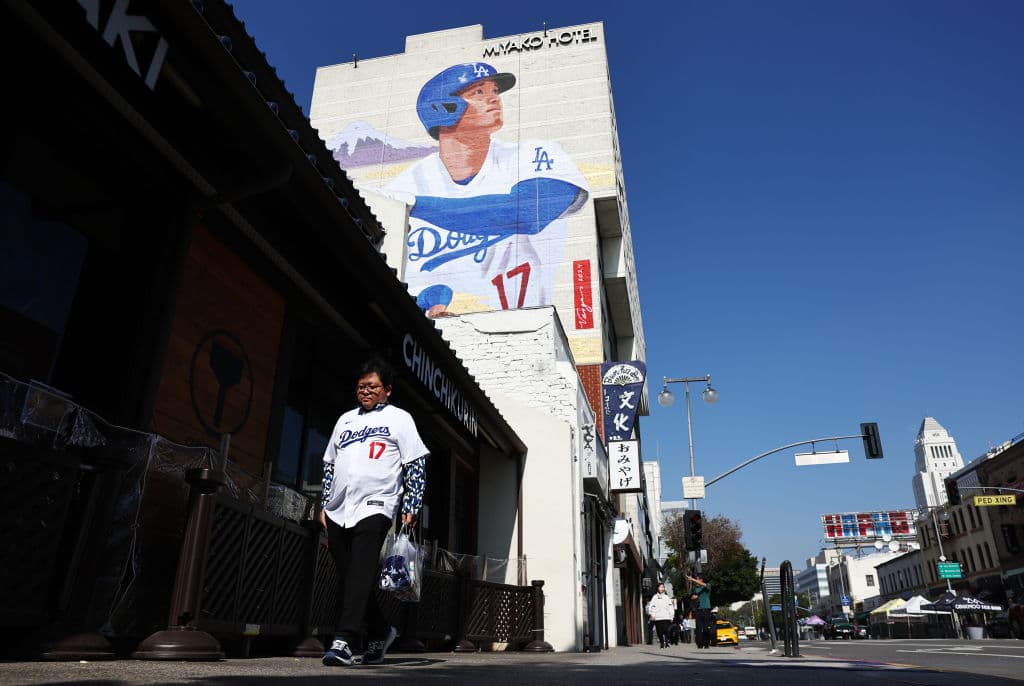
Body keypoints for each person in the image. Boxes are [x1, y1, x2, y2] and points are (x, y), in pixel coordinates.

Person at [386, 62, 589, 317]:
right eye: (479, 92)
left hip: (528, 329)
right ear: (442, 108)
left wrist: (416, 205)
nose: (494, 98)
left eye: (495, 91)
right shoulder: (404, 185)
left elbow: (527, 212)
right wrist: (429, 300)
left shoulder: (532, 154)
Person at [319, 357, 429, 667]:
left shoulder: (400, 419)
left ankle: (344, 640)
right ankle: (381, 630)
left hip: (377, 503)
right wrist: (324, 503)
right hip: (339, 508)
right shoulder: (345, 420)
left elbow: (415, 462)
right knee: (351, 575)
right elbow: (329, 463)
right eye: (361, 387)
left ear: (387, 390)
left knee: (361, 570)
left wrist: (411, 504)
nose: (365, 391)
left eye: (372, 386)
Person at [688, 573, 713, 648]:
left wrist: (692, 579)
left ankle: (706, 643)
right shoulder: (696, 588)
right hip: (698, 609)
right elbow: (692, 597)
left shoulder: (708, 585)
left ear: (701, 579)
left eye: (697, 578)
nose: (696, 580)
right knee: (698, 627)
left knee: (706, 628)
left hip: (706, 609)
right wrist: (693, 597)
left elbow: (704, 585)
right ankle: (699, 643)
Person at [647, 583, 675, 649]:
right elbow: (651, 607)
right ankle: (662, 643)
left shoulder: (666, 597)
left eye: (663, 587)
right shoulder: (654, 597)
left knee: (666, 630)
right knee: (659, 632)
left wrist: (671, 616)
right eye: (660, 587)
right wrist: (652, 615)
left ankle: (667, 642)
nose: (662, 588)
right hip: (658, 617)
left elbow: (670, 607)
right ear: (657, 588)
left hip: (666, 617)